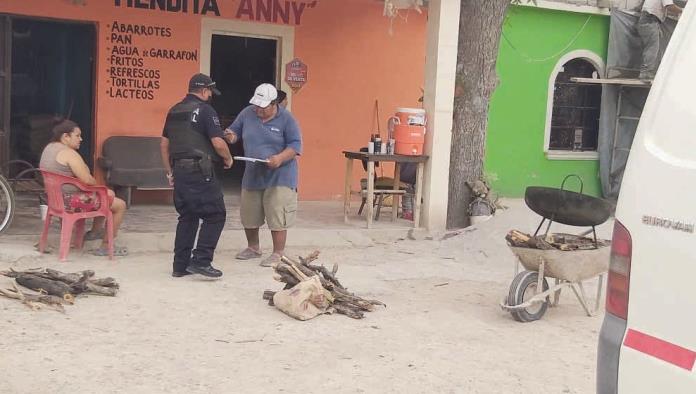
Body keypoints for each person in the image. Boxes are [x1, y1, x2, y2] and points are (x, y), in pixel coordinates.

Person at [160, 73, 234, 278]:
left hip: (180, 171)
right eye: (210, 91)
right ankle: (201, 260)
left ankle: (180, 266)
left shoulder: (174, 110)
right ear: (204, 90)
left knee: (188, 216)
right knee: (216, 215)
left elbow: (164, 145)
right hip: (200, 172)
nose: (210, 95)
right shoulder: (205, 110)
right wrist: (228, 159)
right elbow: (218, 143)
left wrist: (169, 172)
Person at [224, 83, 302, 267]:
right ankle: (253, 248)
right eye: (257, 105)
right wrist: (230, 136)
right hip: (253, 172)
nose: (258, 109)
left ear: (274, 104)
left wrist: (279, 158)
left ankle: (278, 253)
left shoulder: (287, 119)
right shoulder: (247, 113)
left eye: (263, 106)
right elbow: (234, 132)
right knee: (249, 212)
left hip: (280, 174)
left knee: (277, 211)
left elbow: (295, 146)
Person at [39, 119, 128, 256]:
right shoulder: (68, 153)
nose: (81, 139)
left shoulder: (49, 148)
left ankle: (95, 232)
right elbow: (87, 180)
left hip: (55, 200)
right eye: (77, 135)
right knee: (119, 204)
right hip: (71, 201)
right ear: (65, 136)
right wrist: (99, 186)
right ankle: (106, 246)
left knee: (106, 194)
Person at [637, 0, 683, 80]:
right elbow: (669, 6)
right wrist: (684, 10)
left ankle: (648, 71)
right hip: (650, 20)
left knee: (653, 47)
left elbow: (667, 10)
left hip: (649, 20)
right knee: (652, 48)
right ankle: (646, 73)